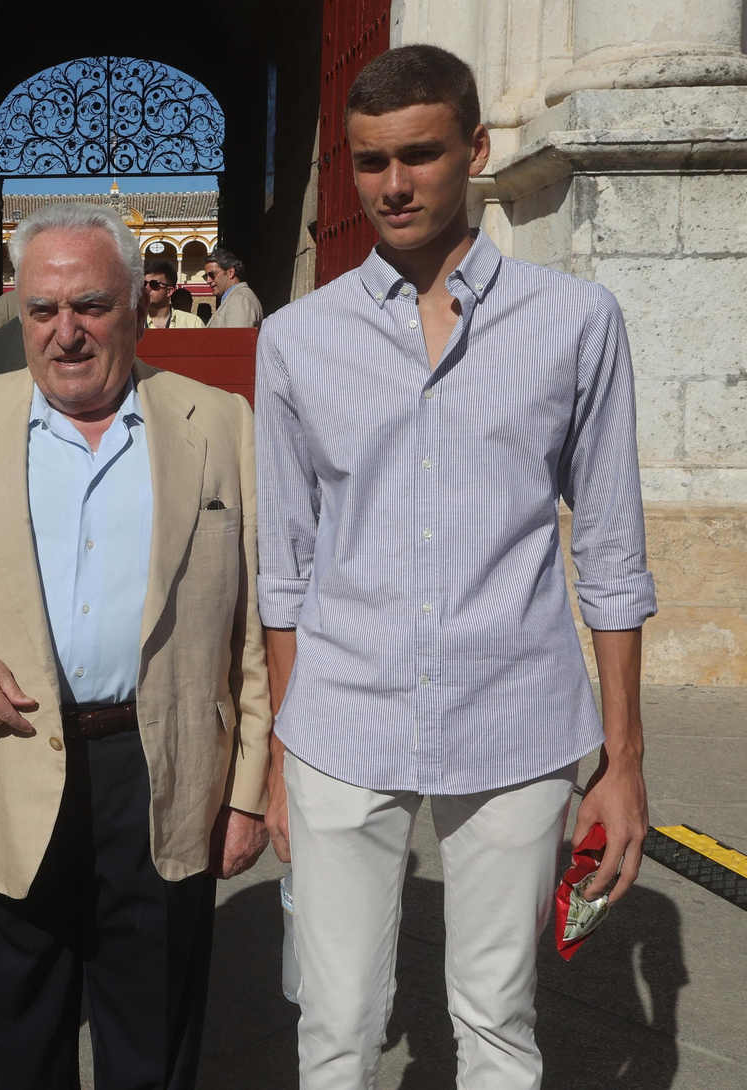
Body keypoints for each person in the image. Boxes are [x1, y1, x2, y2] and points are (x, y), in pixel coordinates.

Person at [255, 45, 656, 1090]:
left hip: (515, 710)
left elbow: (611, 551)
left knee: (496, 1022)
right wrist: (282, 752)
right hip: (341, 717)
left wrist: (623, 761)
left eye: (421, 155)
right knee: (335, 1027)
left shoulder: (574, 323)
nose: (392, 184)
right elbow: (283, 562)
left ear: (475, 150)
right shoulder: (298, 339)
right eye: (370, 161)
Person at [0, 201, 272, 1089]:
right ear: (20, 312)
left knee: (152, 1051)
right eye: (43, 310)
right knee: (12, 1051)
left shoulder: (221, 424)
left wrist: (247, 793)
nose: (66, 333)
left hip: (161, 771)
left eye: (91, 305)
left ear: (136, 304)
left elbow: (248, 625)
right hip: (4, 762)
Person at [205, 249, 264, 328]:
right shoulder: (236, 297)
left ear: (230, 272)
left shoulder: (239, 300)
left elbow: (236, 339)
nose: (208, 280)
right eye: (206, 276)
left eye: (212, 274)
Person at [143, 257, 203, 328]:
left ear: (169, 291)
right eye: (144, 283)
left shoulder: (193, 323)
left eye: (154, 284)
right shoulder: (133, 323)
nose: (147, 288)